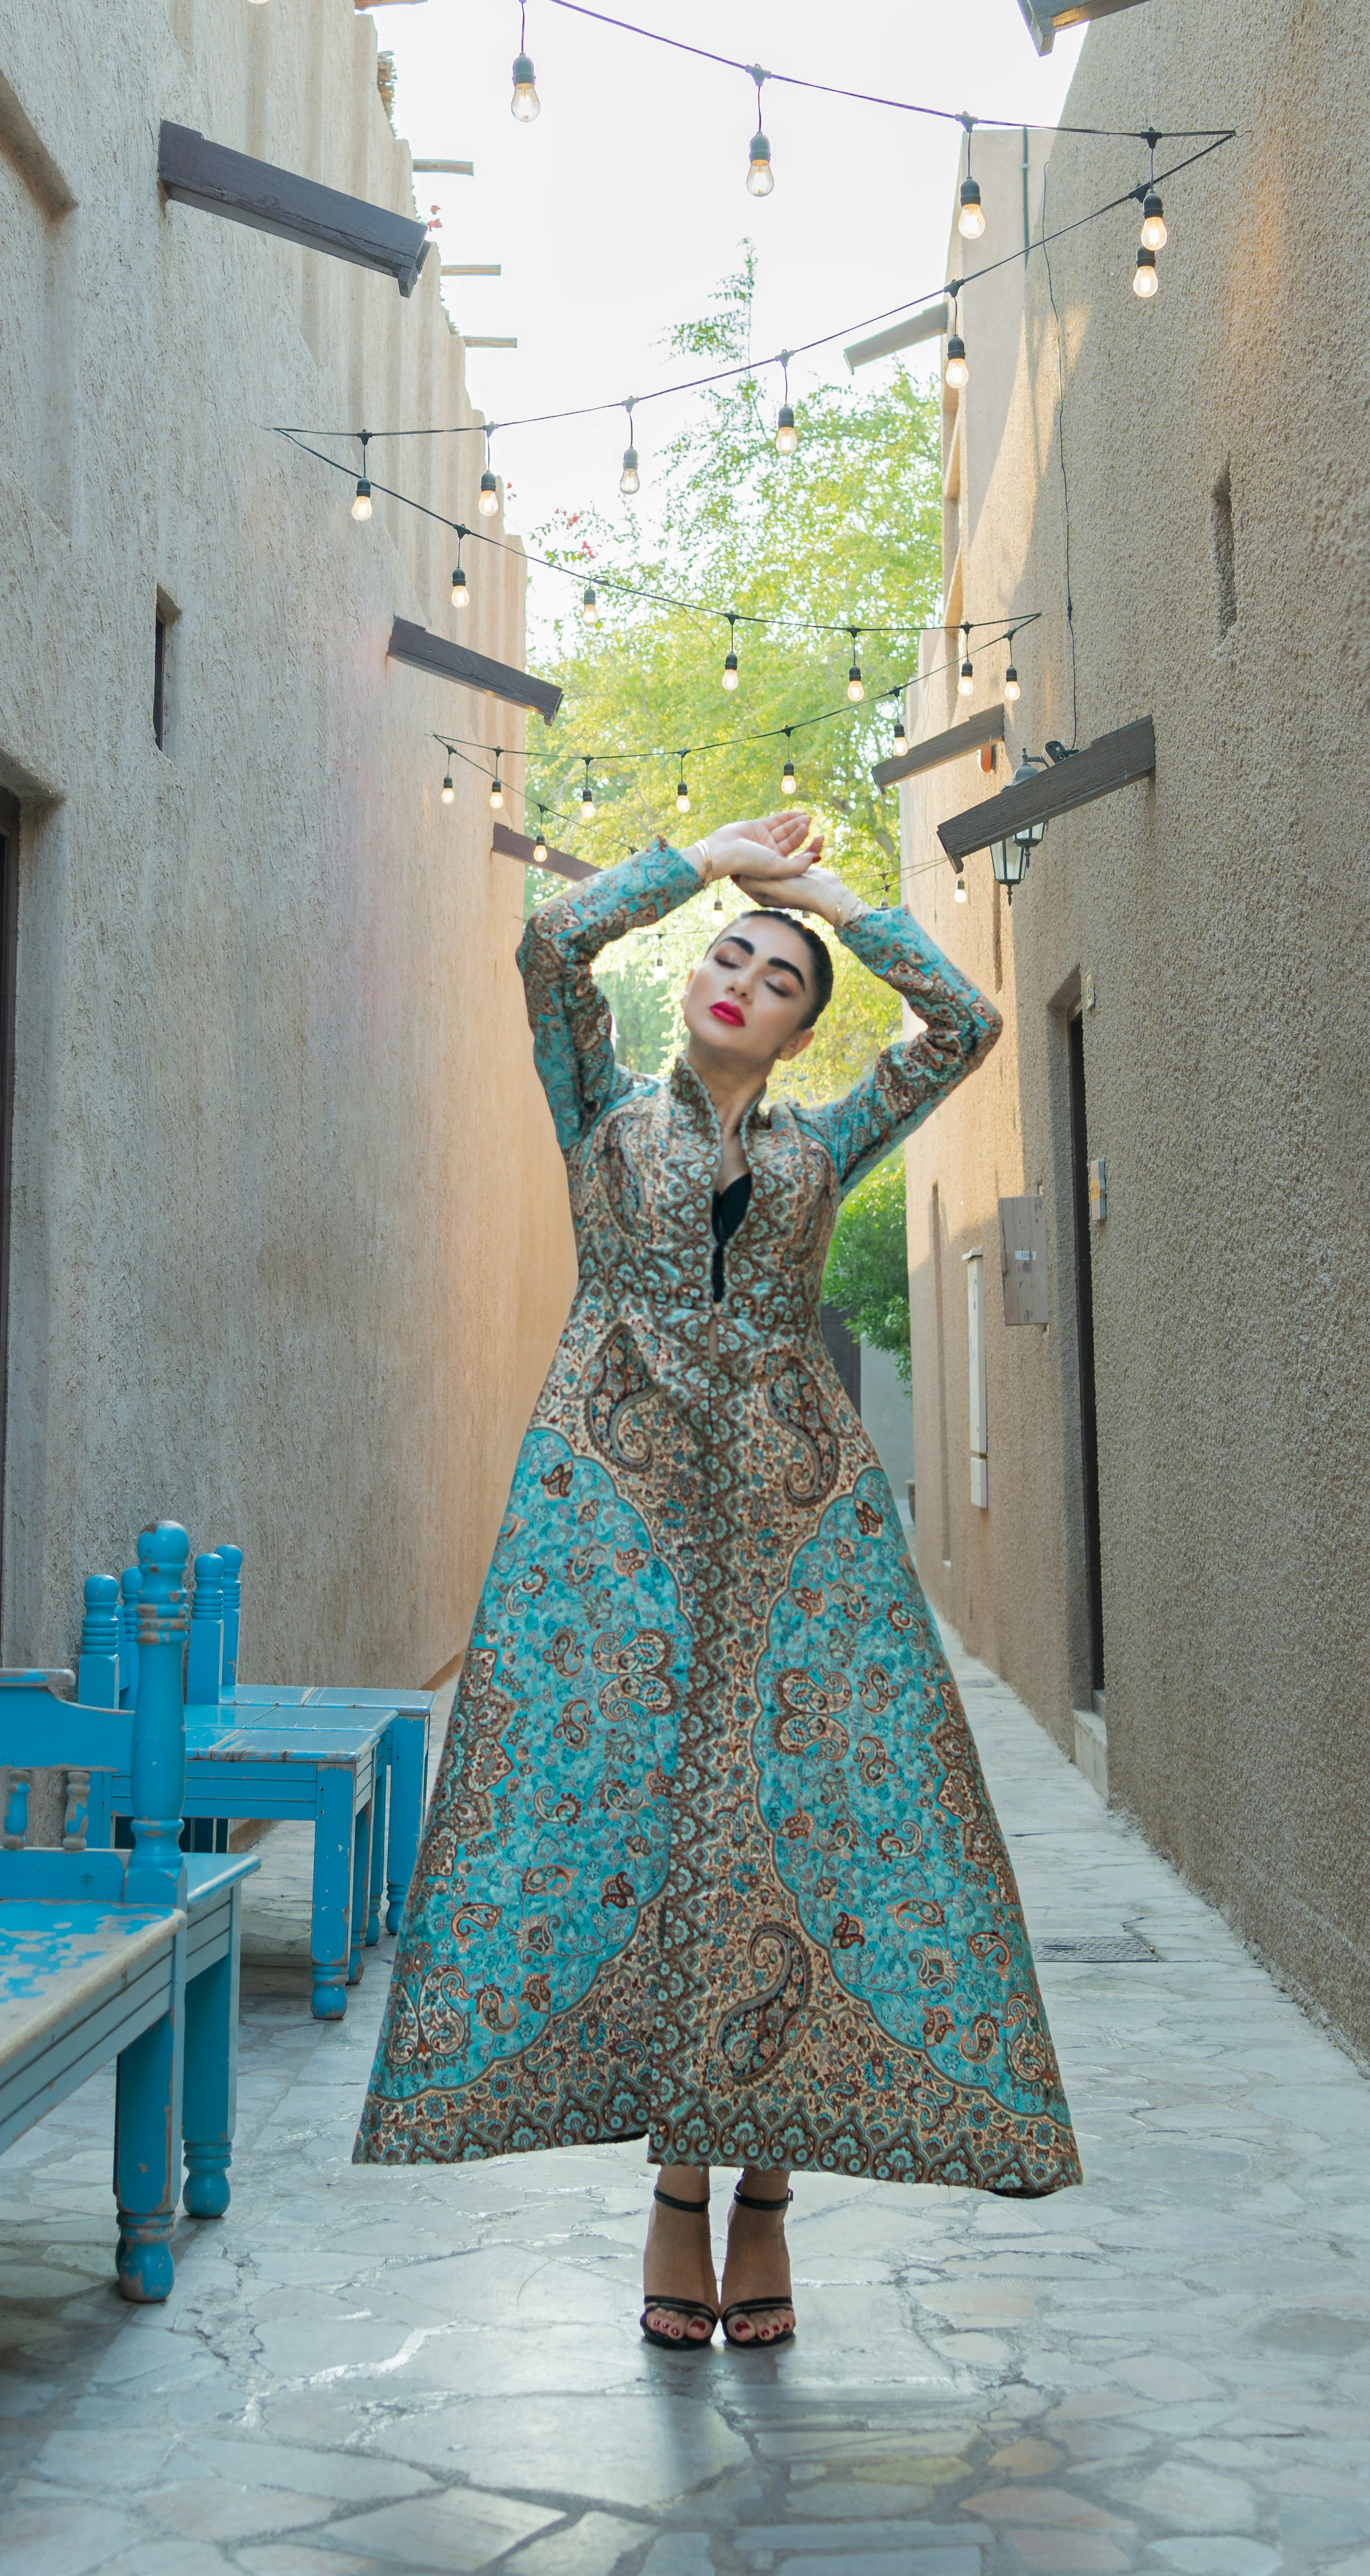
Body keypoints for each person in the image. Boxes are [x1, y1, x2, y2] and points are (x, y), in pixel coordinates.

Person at [356, 814, 1079, 2347]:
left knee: (789, 1830)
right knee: (649, 1822)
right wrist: (701, 862)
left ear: (809, 1025)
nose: (744, 979)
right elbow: (552, 946)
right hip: (611, 1515)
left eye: (777, 975)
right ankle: (675, 2193)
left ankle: (764, 2197)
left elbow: (967, 1023)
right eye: (730, 959)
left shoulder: (822, 1142)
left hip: (794, 1521)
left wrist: (829, 901)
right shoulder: (601, 1111)